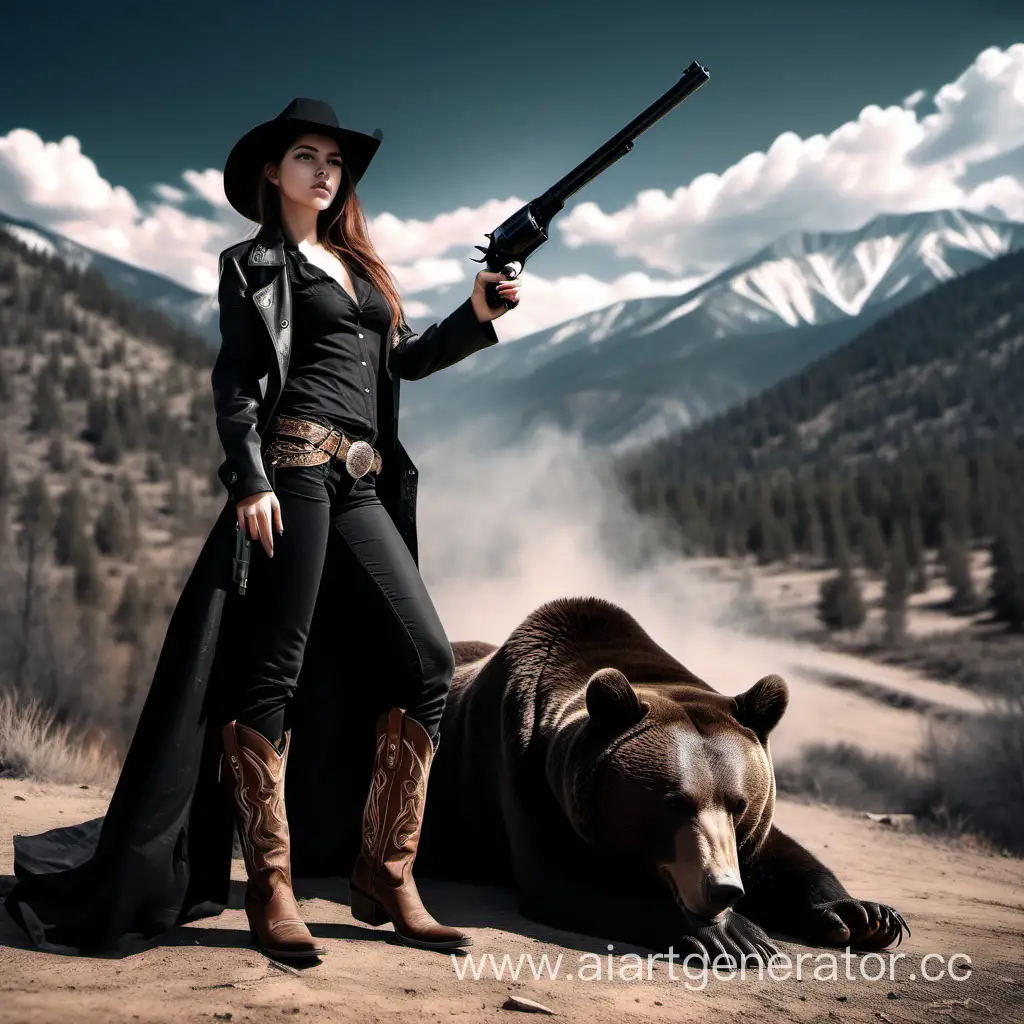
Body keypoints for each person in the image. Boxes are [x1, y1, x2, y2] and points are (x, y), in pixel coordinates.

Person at [4, 98, 520, 960]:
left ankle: (387, 874)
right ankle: (271, 887)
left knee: (428, 658)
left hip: (361, 485)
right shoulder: (250, 266)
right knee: (272, 669)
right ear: (272, 175)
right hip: (291, 476)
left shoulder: (359, 268)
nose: (327, 171)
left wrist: (476, 314)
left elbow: (400, 363)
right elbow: (237, 379)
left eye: (335, 161)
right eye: (307, 156)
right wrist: (247, 479)